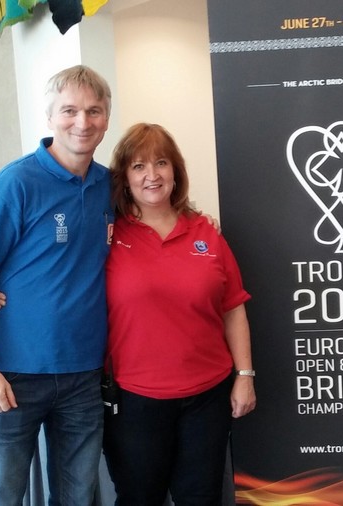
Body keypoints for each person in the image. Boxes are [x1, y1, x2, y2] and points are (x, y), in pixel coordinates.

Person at [0, 65, 113, 505]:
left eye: (94, 111)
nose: (82, 122)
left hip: (84, 373)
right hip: (13, 373)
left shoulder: (109, 185)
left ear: (106, 117)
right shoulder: (15, 183)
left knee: (77, 496)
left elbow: (155, 212)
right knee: (2, 495)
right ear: (49, 117)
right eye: (69, 110)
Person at [102, 123, 256, 506]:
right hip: (134, 399)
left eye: (161, 163)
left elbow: (233, 309)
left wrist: (245, 376)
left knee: (201, 498)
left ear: (175, 171)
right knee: (139, 498)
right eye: (138, 166)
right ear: (125, 178)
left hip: (207, 398)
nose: (151, 175)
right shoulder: (107, 236)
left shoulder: (207, 233)